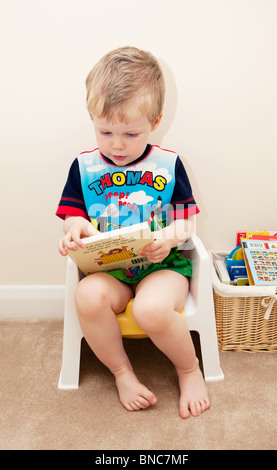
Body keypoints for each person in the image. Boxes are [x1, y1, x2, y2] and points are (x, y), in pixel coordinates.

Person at [56, 46, 210, 418]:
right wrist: (75, 231)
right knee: (87, 296)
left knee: (151, 309)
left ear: (155, 121)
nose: (117, 144)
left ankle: (189, 370)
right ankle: (123, 372)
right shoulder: (84, 166)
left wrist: (171, 237)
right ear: (92, 118)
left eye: (130, 132)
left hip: (163, 267)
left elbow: (187, 220)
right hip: (109, 269)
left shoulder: (169, 165)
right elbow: (72, 216)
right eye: (105, 131)